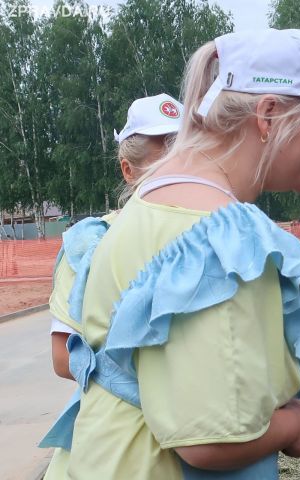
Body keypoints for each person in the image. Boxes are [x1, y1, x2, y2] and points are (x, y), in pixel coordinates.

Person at [40, 28, 300, 479]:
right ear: (268, 115)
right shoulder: (220, 234)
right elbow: (209, 438)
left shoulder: (150, 210)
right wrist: (297, 426)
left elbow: (232, 345)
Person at [41, 94, 185, 477]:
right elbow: (62, 356)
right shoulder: (89, 242)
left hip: (191, 436)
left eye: (185, 151)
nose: (175, 166)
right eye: (162, 153)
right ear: (128, 170)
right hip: (115, 443)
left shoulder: (207, 234)